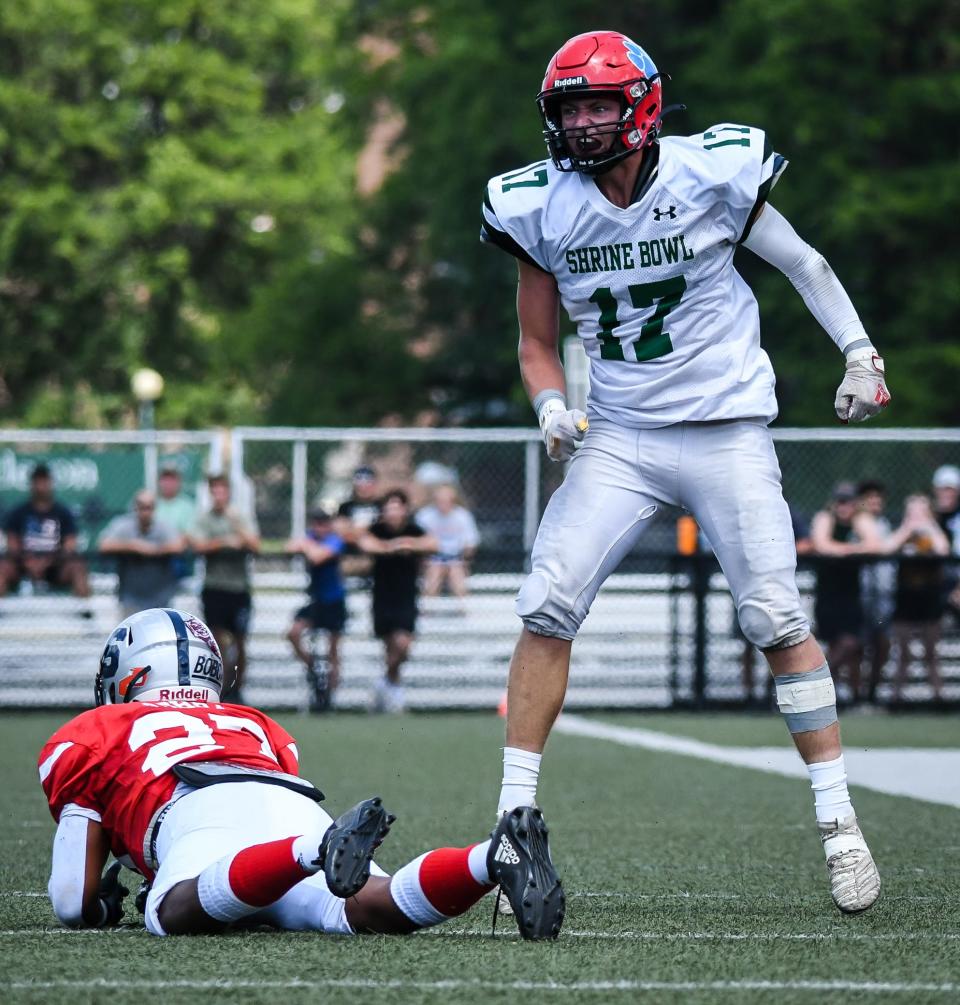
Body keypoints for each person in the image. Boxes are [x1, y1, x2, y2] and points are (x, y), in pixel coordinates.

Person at [480, 29, 891, 914]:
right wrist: (552, 407)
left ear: (642, 105)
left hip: (726, 427)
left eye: (598, 104)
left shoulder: (712, 172)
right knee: (546, 602)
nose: (583, 123)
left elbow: (806, 266)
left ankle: (840, 823)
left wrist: (859, 352)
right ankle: (513, 823)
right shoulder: (539, 205)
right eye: (570, 108)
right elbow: (537, 343)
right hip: (622, 434)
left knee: (776, 615)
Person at [36, 608, 563, 941]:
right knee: (365, 907)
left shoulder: (96, 730)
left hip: (196, 810)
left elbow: (69, 899)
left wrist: (98, 907)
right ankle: (490, 858)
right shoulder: (250, 721)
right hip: (289, 802)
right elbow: (267, 777)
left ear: (129, 675)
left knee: (168, 911)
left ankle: (312, 852)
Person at [357, 490, 438, 713]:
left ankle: (384, 683)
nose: (393, 511)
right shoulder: (377, 530)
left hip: (406, 596)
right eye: (389, 507)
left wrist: (408, 543)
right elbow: (365, 543)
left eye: (397, 506)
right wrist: (392, 547)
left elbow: (432, 544)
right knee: (389, 646)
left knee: (403, 644)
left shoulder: (413, 530)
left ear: (405, 509)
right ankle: (393, 690)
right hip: (382, 596)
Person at [809, 482, 885, 702]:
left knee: (852, 644)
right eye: (840, 501)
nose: (844, 507)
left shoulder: (860, 520)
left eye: (848, 502)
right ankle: (825, 694)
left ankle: (818, 683)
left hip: (851, 595)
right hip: (828, 594)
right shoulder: (825, 518)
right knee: (836, 644)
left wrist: (842, 550)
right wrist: (852, 550)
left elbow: (874, 545)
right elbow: (822, 545)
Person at [190, 474, 261, 703]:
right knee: (217, 642)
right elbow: (198, 545)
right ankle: (220, 689)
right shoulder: (204, 519)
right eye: (215, 491)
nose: (219, 495)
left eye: (223, 490)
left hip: (239, 588)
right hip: (215, 587)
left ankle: (238, 689)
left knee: (240, 641)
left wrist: (236, 527)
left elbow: (254, 545)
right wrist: (223, 542)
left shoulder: (240, 517)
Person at [883, 494, 950, 702]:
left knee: (931, 653)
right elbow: (887, 549)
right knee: (903, 653)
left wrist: (929, 526)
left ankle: (938, 699)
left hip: (929, 599)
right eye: (911, 512)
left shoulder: (935, 533)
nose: (916, 516)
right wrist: (907, 529)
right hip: (905, 599)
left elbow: (943, 549)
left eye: (920, 511)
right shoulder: (903, 534)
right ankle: (896, 699)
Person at [285, 509, 348, 712]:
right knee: (293, 633)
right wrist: (306, 544)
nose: (320, 527)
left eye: (323, 523)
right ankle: (314, 669)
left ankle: (329, 697)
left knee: (333, 651)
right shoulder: (311, 537)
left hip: (334, 601)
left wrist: (306, 545)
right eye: (317, 523)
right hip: (316, 601)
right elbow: (290, 546)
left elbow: (318, 557)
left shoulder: (335, 540)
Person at [0, 463, 91, 601]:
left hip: (56, 565)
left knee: (78, 567)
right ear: (31, 484)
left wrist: (47, 562)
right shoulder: (18, 512)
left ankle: (85, 613)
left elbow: (70, 545)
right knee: (3, 568)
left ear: (51, 483)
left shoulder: (63, 512)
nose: (41, 486)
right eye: (37, 481)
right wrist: (29, 561)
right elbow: (12, 544)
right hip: (23, 564)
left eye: (45, 481)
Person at [98, 490, 186, 618]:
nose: (145, 512)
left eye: (149, 507)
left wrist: (154, 550)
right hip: (131, 597)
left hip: (160, 596)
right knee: (131, 635)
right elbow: (103, 545)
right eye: (142, 507)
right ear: (135, 507)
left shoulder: (163, 526)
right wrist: (133, 546)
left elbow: (179, 546)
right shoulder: (124, 525)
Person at [856, 480, 895, 703]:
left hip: (884, 594)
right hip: (862, 595)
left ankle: (871, 693)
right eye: (869, 498)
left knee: (882, 645)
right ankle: (856, 695)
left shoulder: (885, 523)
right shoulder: (859, 523)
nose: (875, 502)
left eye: (878, 498)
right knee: (859, 646)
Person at [416, 484, 481, 600]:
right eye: (440, 501)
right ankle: (428, 612)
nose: (443, 504)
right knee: (433, 575)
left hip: (456, 558)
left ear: (453, 501)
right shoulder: (424, 516)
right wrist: (423, 559)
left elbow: (471, 543)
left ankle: (463, 612)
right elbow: (418, 542)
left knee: (456, 575)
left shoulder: (463, 516)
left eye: (447, 501)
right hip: (433, 558)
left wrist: (465, 560)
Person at [335, 465, 382, 578]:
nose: (363, 486)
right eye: (359, 481)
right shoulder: (345, 507)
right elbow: (342, 532)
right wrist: (368, 530)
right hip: (350, 555)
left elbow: (383, 532)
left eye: (367, 482)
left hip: (375, 555)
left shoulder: (382, 506)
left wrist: (353, 529)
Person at [154, 464, 197, 581]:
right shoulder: (152, 504)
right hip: (150, 554)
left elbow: (188, 535)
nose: (168, 483)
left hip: (176, 556)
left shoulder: (187, 505)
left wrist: (164, 548)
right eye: (165, 479)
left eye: (172, 479)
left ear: (178, 482)